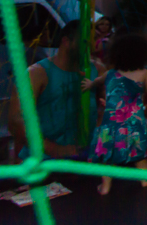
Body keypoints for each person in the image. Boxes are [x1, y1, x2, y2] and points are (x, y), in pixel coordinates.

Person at [7, 20, 106, 160]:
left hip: (87, 157)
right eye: (85, 42)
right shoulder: (35, 74)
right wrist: (55, 149)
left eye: (94, 41)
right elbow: (16, 121)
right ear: (66, 41)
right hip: (45, 162)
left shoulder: (98, 69)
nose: (91, 47)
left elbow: (108, 105)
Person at [81, 33, 147, 195]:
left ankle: (106, 186)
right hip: (135, 122)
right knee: (140, 153)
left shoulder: (110, 74)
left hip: (112, 123)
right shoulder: (143, 73)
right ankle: (145, 179)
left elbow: (97, 82)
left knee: (108, 156)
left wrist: (89, 84)